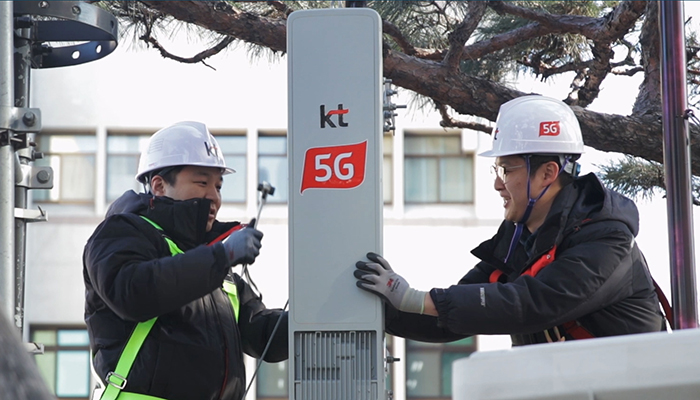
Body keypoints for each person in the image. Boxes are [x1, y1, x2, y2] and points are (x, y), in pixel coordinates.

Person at [354, 95, 666, 345]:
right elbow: (451, 319)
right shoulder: (519, 239)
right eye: (497, 170)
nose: (497, 183)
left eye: (507, 169)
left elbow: (535, 303)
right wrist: (381, 308)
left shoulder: (606, 239)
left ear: (548, 173)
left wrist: (414, 297)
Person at [83, 121, 288, 400]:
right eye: (202, 182)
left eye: (218, 186)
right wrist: (221, 256)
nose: (214, 197)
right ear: (159, 185)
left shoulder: (218, 273)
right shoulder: (120, 234)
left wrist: (328, 309)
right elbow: (132, 292)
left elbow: (265, 335)